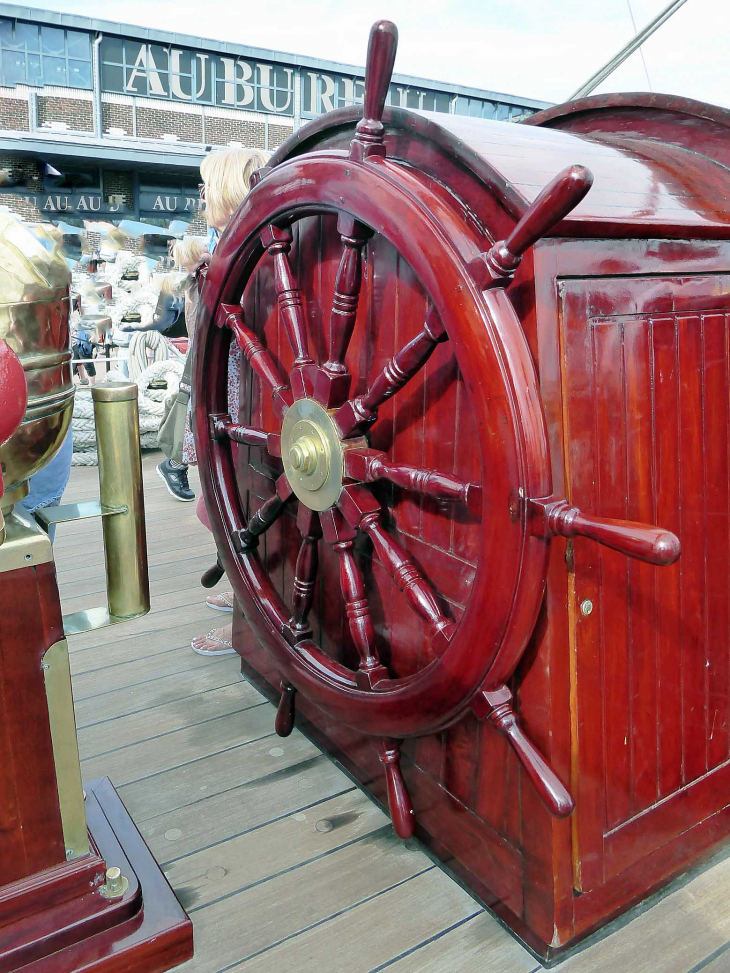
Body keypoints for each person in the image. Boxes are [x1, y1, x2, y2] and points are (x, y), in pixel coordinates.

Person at [186, 146, 268, 657]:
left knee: (226, 511)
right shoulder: (237, 246)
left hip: (242, 410)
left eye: (205, 186)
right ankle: (242, 599)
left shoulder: (247, 252)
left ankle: (246, 618)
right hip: (228, 401)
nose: (199, 197)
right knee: (219, 508)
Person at [156, 235, 209, 502]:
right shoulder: (197, 283)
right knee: (190, 408)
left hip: (203, 354)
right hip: (203, 356)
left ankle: (176, 465)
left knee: (191, 407)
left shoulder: (193, 282)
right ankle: (175, 465)